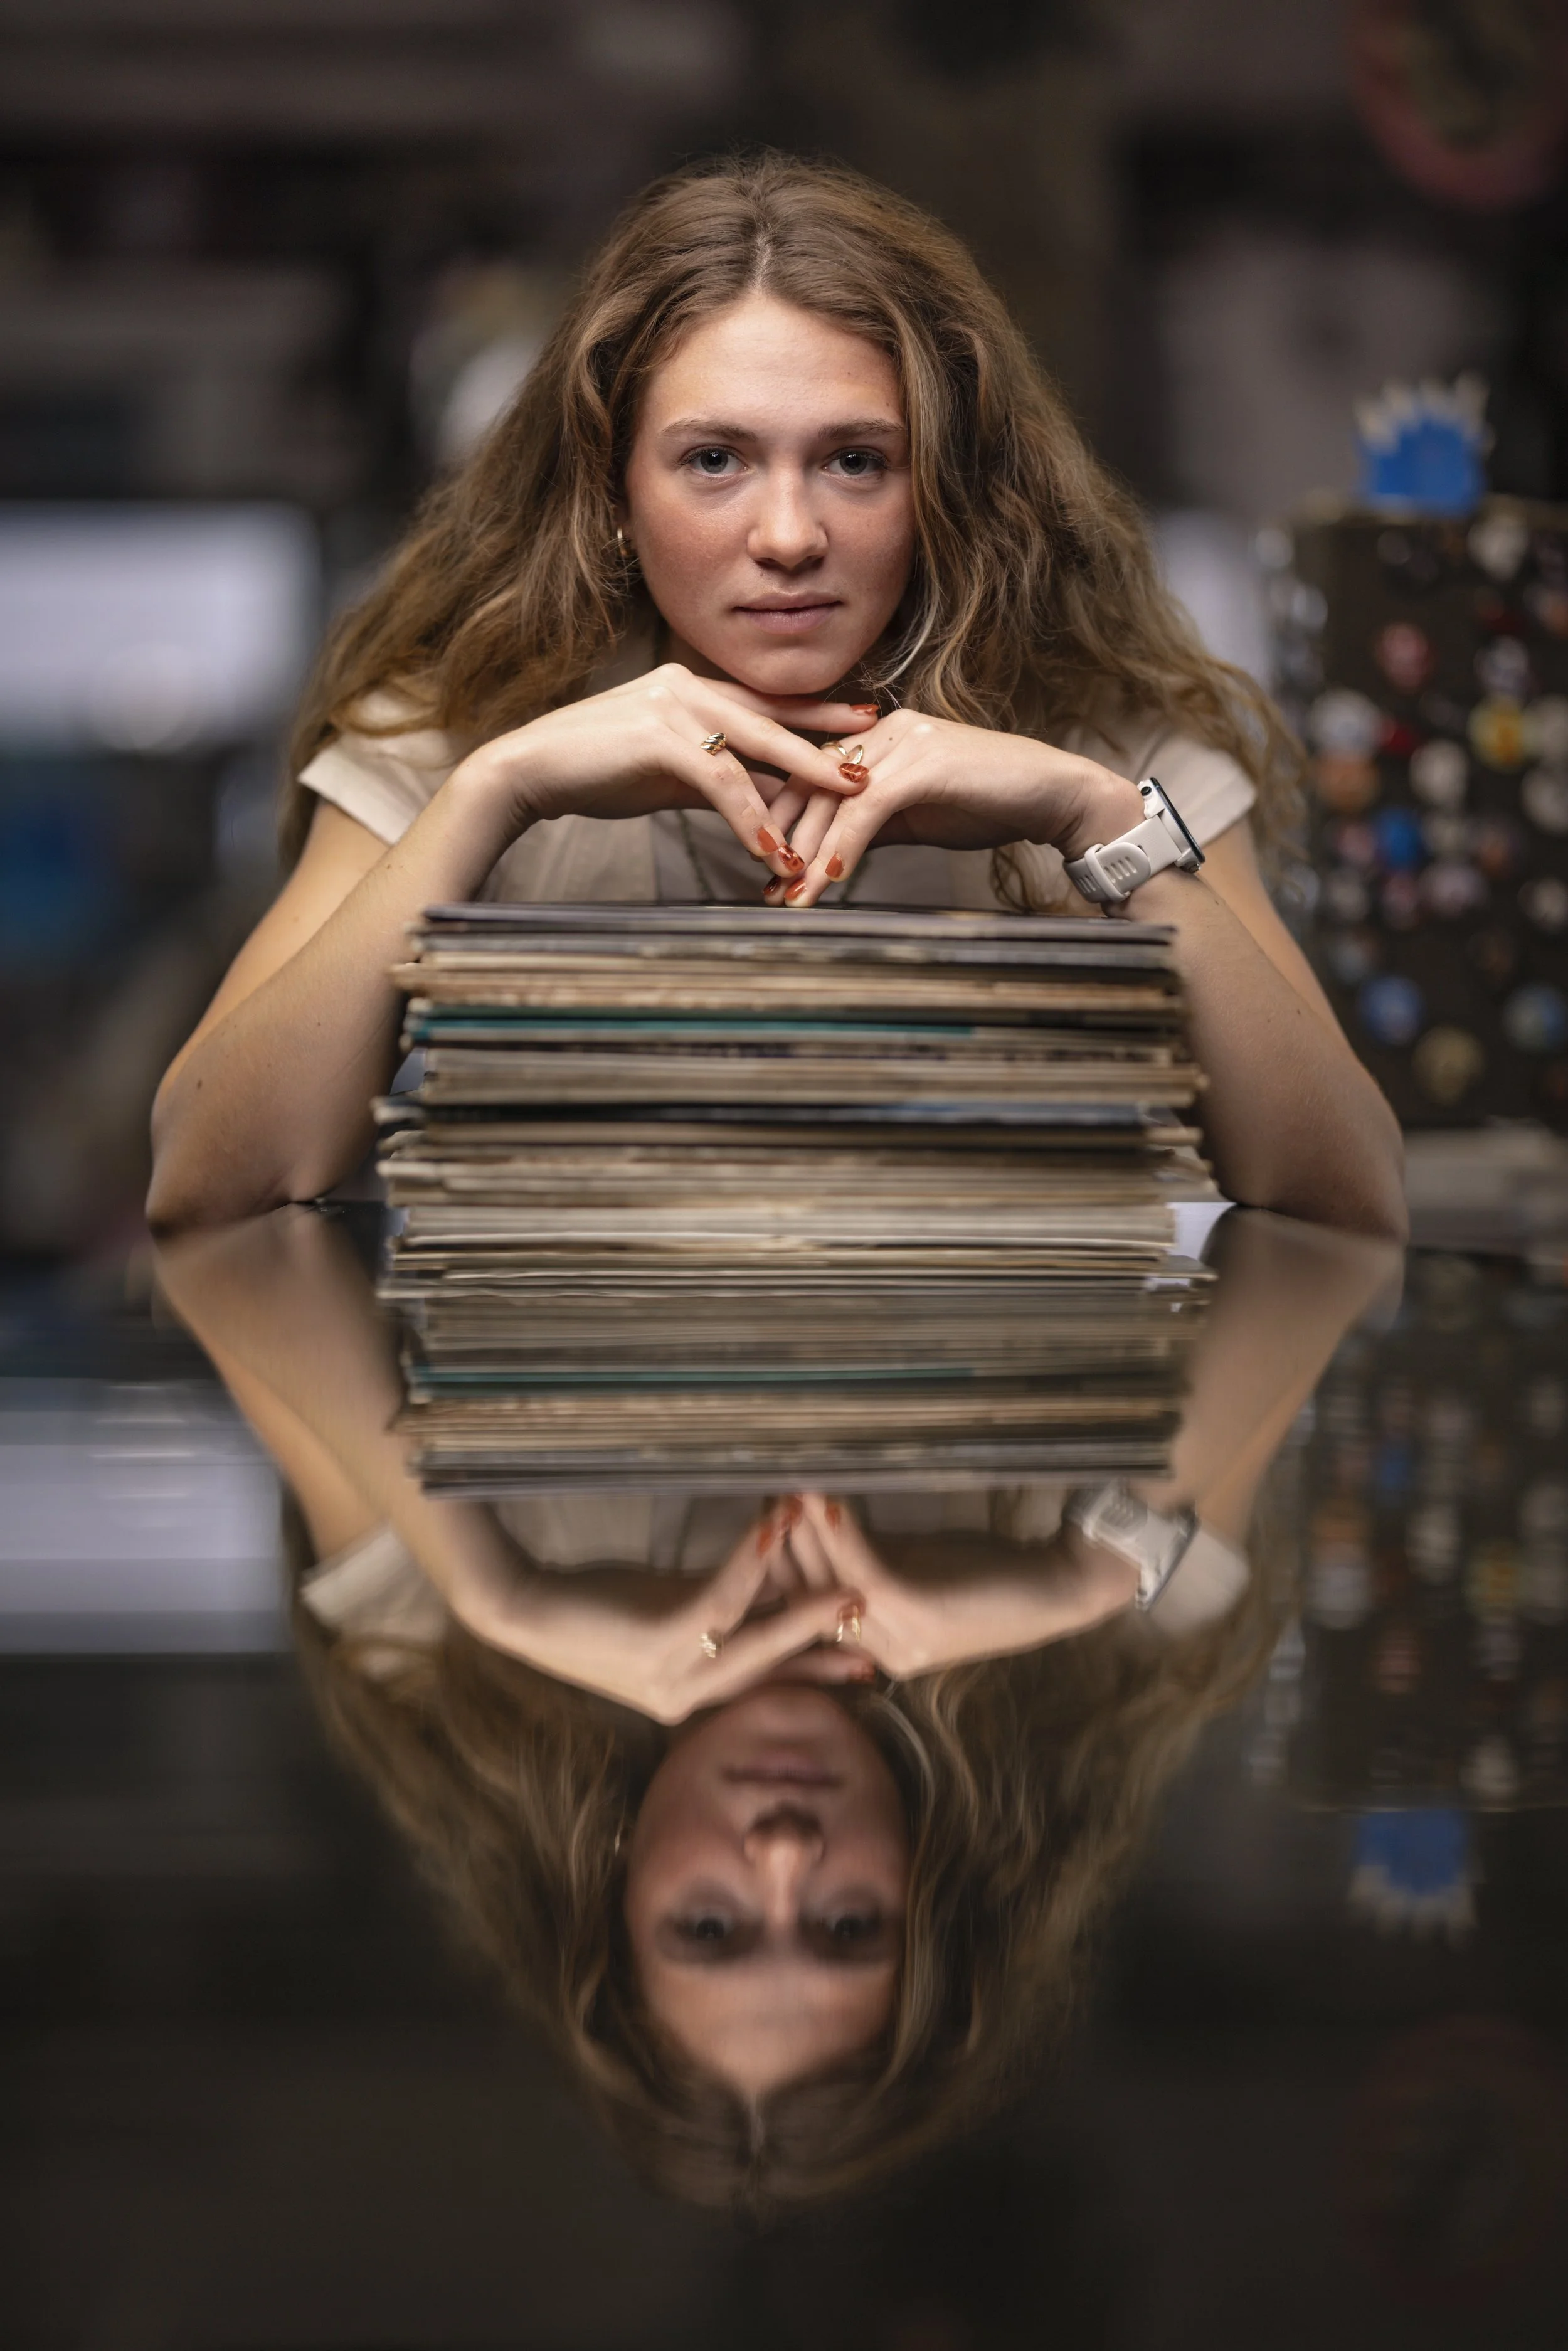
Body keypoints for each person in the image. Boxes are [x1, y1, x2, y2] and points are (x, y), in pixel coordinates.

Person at [146, 153, 1407, 1240]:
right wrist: (495, 789)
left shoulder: (1106, 731)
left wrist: (1089, 815)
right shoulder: (459, 721)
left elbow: (1346, 1186)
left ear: (946, 483)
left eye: (855, 461)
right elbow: (211, 1176)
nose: (789, 534)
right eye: (713, 461)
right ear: (613, 490)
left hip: (989, 1488)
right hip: (574, 1489)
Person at [155, 1201, 1399, 2205]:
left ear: (607, 1903)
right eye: (851, 1921)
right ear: (937, 1901)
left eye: (709, 1923)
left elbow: (233, 1248)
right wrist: (1070, 1578)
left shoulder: (430, 1660)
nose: (787, 1853)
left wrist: (502, 1594)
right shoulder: (1119, 1658)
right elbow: (1312, 1250)